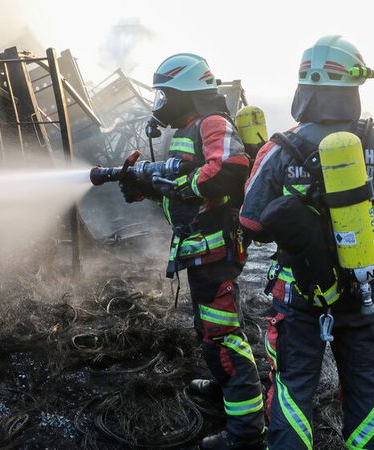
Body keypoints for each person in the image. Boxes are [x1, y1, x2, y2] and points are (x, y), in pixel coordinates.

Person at [240, 36, 374, 449]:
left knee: (293, 395)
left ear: (305, 87)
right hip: (366, 294)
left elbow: (251, 224)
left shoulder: (276, 150)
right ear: (354, 86)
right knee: (367, 398)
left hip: (299, 297)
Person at [119, 53, 266, 450]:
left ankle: (246, 432)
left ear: (185, 93)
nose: (159, 104)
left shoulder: (213, 122)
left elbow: (229, 169)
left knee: (222, 336)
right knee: (207, 330)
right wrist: (146, 186)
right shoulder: (189, 128)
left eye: (163, 95)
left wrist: (177, 186)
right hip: (200, 250)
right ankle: (228, 392)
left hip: (216, 250)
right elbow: (186, 178)